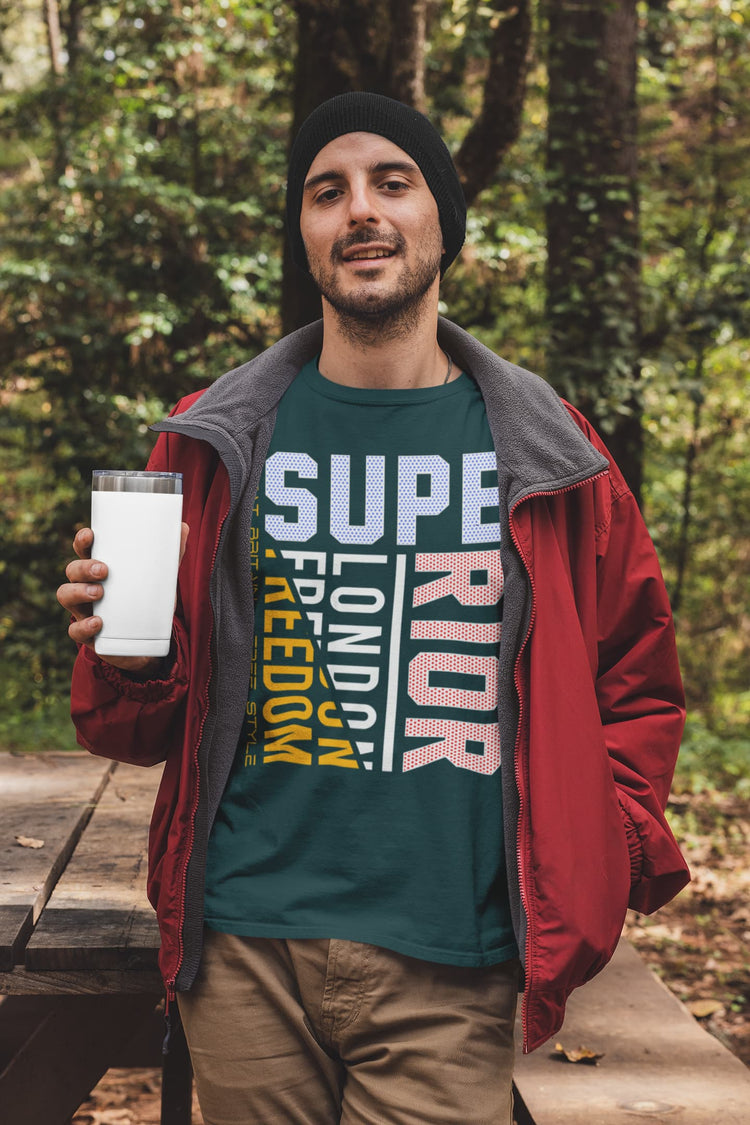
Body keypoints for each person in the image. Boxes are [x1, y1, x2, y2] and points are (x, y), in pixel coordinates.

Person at [57, 92, 690, 1125]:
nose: (360, 209)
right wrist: (120, 653)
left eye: (392, 183)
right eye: (327, 190)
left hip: (456, 953)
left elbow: (637, 683)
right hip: (245, 946)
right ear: (304, 230)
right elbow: (138, 727)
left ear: (442, 218)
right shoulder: (215, 440)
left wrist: (602, 853)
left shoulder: (551, 454)